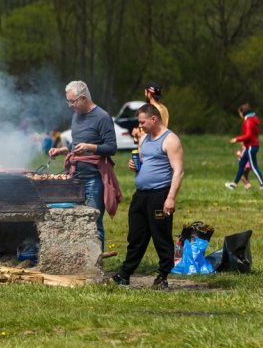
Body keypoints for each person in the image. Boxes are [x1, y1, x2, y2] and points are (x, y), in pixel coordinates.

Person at [111, 103, 185, 290]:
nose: (140, 125)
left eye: (143, 122)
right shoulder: (143, 139)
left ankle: (162, 275)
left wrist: (170, 198)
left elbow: (178, 171)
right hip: (141, 195)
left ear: (154, 119)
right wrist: (136, 167)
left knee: (161, 235)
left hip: (160, 194)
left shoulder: (170, 139)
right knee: (136, 236)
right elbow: (145, 164)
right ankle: (125, 273)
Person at [48, 81, 122, 247]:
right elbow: (76, 146)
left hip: (94, 178)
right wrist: (62, 151)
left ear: (83, 98)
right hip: (75, 176)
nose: (70, 105)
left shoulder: (102, 117)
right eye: (68, 101)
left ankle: (96, 265)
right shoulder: (76, 115)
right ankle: (80, 260)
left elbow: (111, 148)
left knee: (93, 223)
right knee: (74, 221)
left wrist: (90, 147)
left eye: (72, 101)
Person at [226, 103, 263, 190]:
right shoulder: (252, 120)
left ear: (242, 112)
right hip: (251, 146)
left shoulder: (248, 121)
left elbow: (248, 135)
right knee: (241, 164)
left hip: (251, 147)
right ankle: (234, 184)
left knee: (254, 167)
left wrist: (236, 139)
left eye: (239, 113)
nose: (239, 115)